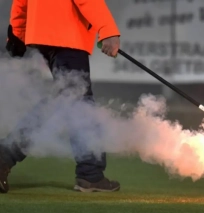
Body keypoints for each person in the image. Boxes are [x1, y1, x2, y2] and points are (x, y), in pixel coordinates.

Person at [0, 0, 121, 193]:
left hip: (43, 32)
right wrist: (107, 30)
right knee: (70, 100)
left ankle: (90, 174)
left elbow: (21, 2)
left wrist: (18, 33)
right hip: (66, 32)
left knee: (76, 102)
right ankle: (5, 155)